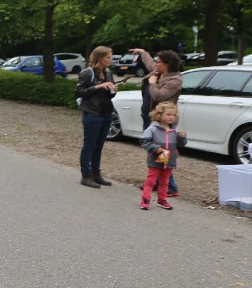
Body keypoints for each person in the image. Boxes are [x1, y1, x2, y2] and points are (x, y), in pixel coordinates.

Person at [128, 48, 185, 197]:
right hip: (152, 118)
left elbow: (159, 96)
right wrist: (142, 52)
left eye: (159, 62)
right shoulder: (160, 72)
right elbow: (149, 63)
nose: (156, 64)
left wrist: (152, 83)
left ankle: (170, 187)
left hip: (163, 123)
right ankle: (158, 183)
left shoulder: (175, 80)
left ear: (167, 64)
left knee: (162, 150)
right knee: (155, 151)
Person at [76, 46, 118, 189]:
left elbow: (109, 95)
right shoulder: (88, 73)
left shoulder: (108, 72)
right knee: (89, 145)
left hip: (106, 113)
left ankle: (96, 174)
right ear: (99, 58)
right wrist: (98, 87)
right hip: (92, 113)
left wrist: (113, 90)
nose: (110, 60)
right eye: (108, 57)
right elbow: (79, 92)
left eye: (111, 57)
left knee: (99, 146)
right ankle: (85, 176)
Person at [139, 102, 187, 210]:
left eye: (174, 115)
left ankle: (162, 200)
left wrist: (182, 137)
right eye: (168, 114)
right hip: (155, 159)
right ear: (159, 115)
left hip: (169, 160)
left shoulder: (176, 130)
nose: (171, 117)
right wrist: (156, 148)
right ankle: (145, 200)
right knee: (151, 181)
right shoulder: (152, 129)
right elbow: (144, 141)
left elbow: (181, 144)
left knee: (165, 181)